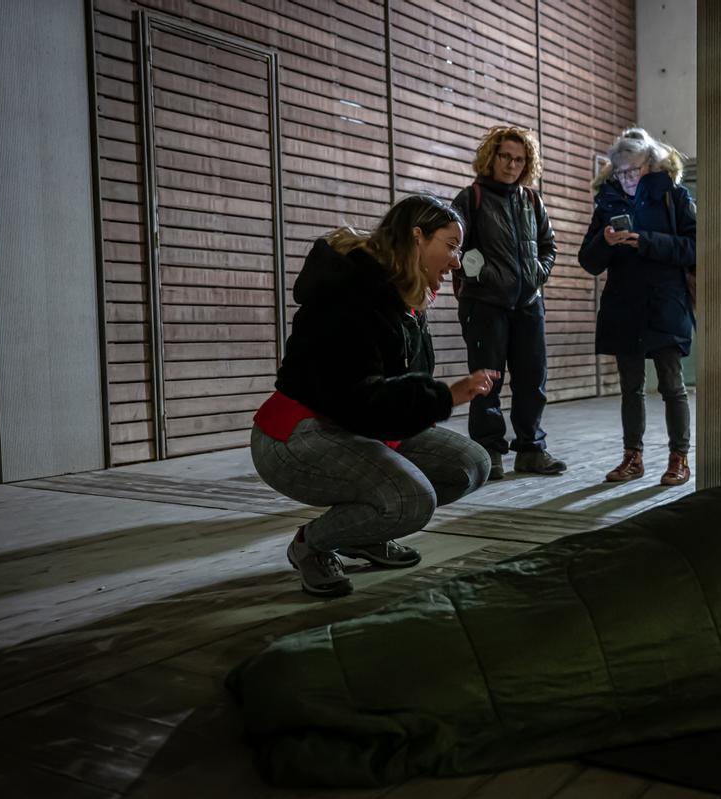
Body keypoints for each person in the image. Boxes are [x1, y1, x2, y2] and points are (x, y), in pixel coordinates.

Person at [249, 195, 499, 597]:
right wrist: (443, 397)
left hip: (355, 426)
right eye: (451, 246)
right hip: (297, 434)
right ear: (417, 237)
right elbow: (357, 400)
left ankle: (363, 533)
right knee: (411, 499)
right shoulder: (350, 294)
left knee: (470, 465)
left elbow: (391, 393)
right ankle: (311, 544)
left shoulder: (406, 300)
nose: (456, 261)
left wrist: (439, 397)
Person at [578, 128, 696, 486]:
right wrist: (606, 240)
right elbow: (589, 261)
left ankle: (679, 458)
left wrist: (646, 242)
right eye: (621, 172)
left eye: (634, 170)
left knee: (672, 384)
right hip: (623, 305)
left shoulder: (674, 197)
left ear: (651, 165)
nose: (628, 179)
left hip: (665, 303)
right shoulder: (607, 203)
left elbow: (694, 247)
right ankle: (633, 458)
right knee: (630, 386)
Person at [451, 125, 565, 480]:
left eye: (519, 159)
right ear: (492, 156)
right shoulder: (470, 198)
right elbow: (457, 246)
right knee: (487, 382)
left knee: (533, 381)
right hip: (484, 303)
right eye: (506, 157)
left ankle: (531, 450)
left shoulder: (532, 200)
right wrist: (484, 276)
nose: (512, 165)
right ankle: (490, 453)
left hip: (529, 303)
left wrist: (537, 275)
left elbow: (549, 246)